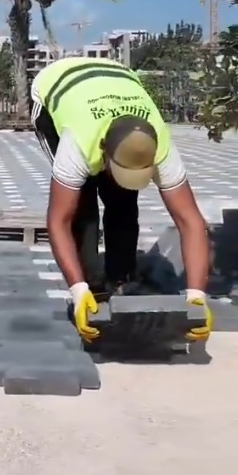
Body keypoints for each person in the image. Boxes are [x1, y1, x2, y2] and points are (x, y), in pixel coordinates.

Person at [30, 55, 212, 345]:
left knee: (123, 200)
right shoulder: (78, 143)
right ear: (104, 150)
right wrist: (78, 290)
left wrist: (197, 296)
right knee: (82, 207)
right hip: (57, 85)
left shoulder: (159, 145)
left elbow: (191, 221)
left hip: (118, 80)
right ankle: (92, 289)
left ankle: (121, 281)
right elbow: (58, 221)